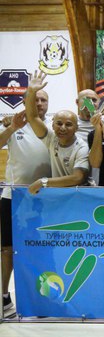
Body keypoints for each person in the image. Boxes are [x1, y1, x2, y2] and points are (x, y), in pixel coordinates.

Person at [0, 85, 51, 317]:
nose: (39, 103)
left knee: (41, 248)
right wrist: (11, 128)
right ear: (26, 102)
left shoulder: (54, 126)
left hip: (45, 200)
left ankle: (42, 298)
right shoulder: (13, 124)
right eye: (35, 99)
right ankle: (4, 296)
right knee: (8, 249)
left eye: (43, 100)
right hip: (13, 197)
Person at [23, 71, 89, 195]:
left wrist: (43, 182)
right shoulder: (51, 138)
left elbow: (77, 178)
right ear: (52, 125)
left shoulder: (82, 147)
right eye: (59, 123)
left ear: (76, 128)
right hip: (58, 196)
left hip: (79, 196)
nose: (63, 128)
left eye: (68, 124)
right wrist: (31, 92)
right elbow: (33, 117)